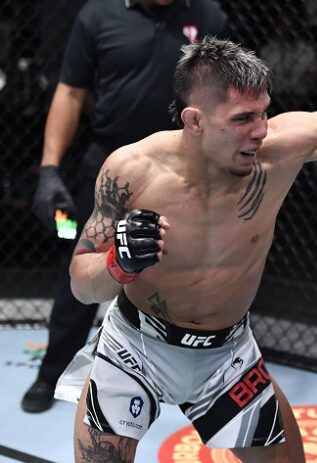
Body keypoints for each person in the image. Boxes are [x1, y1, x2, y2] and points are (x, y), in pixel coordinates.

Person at [56, 37, 317, 463]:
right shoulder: (132, 171)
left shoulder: (276, 155)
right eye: (243, 118)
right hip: (135, 348)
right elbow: (81, 285)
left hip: (226, 355)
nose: (261, 130)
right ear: (194, 121)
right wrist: (117, 264)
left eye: (264, 112)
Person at [22, 0, 230, 413]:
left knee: (186, 267)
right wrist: (49, 169)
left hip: (181, 169)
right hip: (109, 166)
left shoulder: (208, 15)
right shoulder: (98, 14)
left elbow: (224, 97)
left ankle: (189, 378)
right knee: (81, 263)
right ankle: (51, 373)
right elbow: (70, 91)